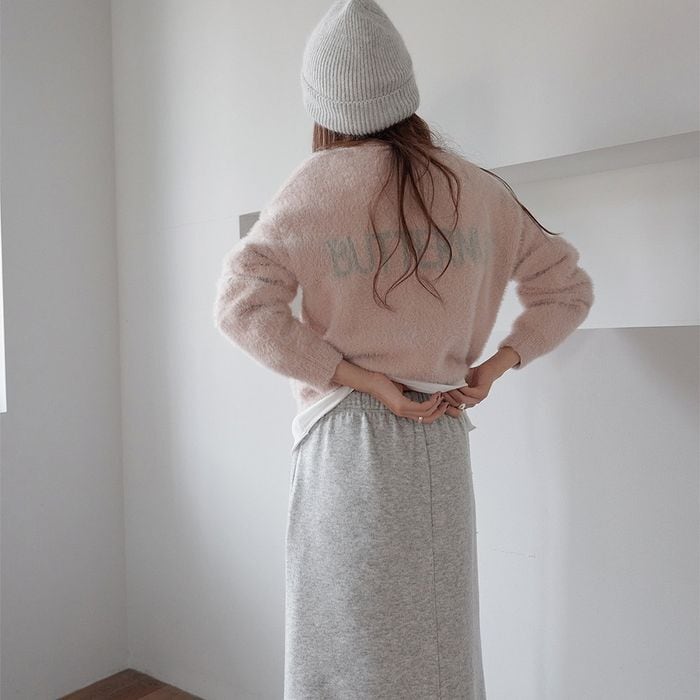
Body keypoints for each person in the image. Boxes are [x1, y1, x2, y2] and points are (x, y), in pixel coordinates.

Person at [213, 1, 595, 697]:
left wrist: (360, 378)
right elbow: (567, 289)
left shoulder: (315, 186)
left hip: (346, 441)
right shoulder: (478, 189)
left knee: (343, 644)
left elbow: (241, 305)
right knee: (439, 646)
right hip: (441, 436)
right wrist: (493, 368)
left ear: (323, 104)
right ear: (404, 92)